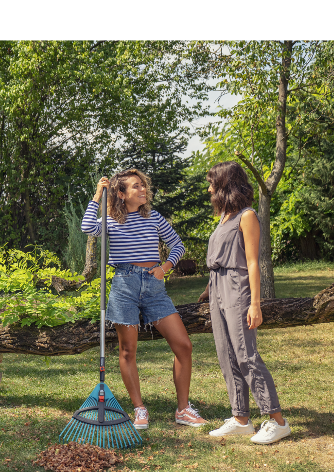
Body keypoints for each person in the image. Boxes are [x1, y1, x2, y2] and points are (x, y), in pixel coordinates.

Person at [81, 169, 206, 430]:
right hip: (124, 285)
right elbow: (87, 227)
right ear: (121, 193)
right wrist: (97, 196)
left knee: (183, 345)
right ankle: (139, 409)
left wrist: (166, 267)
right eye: (136, 187)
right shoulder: (111, 221)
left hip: (153, 285)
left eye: (143, 186)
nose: (143, 190)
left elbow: (178, 245)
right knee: (128, 351)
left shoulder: (154, 217)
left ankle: (183, 409)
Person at [198, 161, 291, 444]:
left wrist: (255, 303)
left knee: (246, 356)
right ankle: (241, 418)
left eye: (212, 182)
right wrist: (208, 289)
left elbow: (252, 263)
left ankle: (278, 421)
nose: (209, 187)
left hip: (238, 291)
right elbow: (222, 260)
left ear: (225, 184)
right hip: (218, 290)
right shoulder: (225, 216)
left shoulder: (247, 216)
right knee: (227, 356)